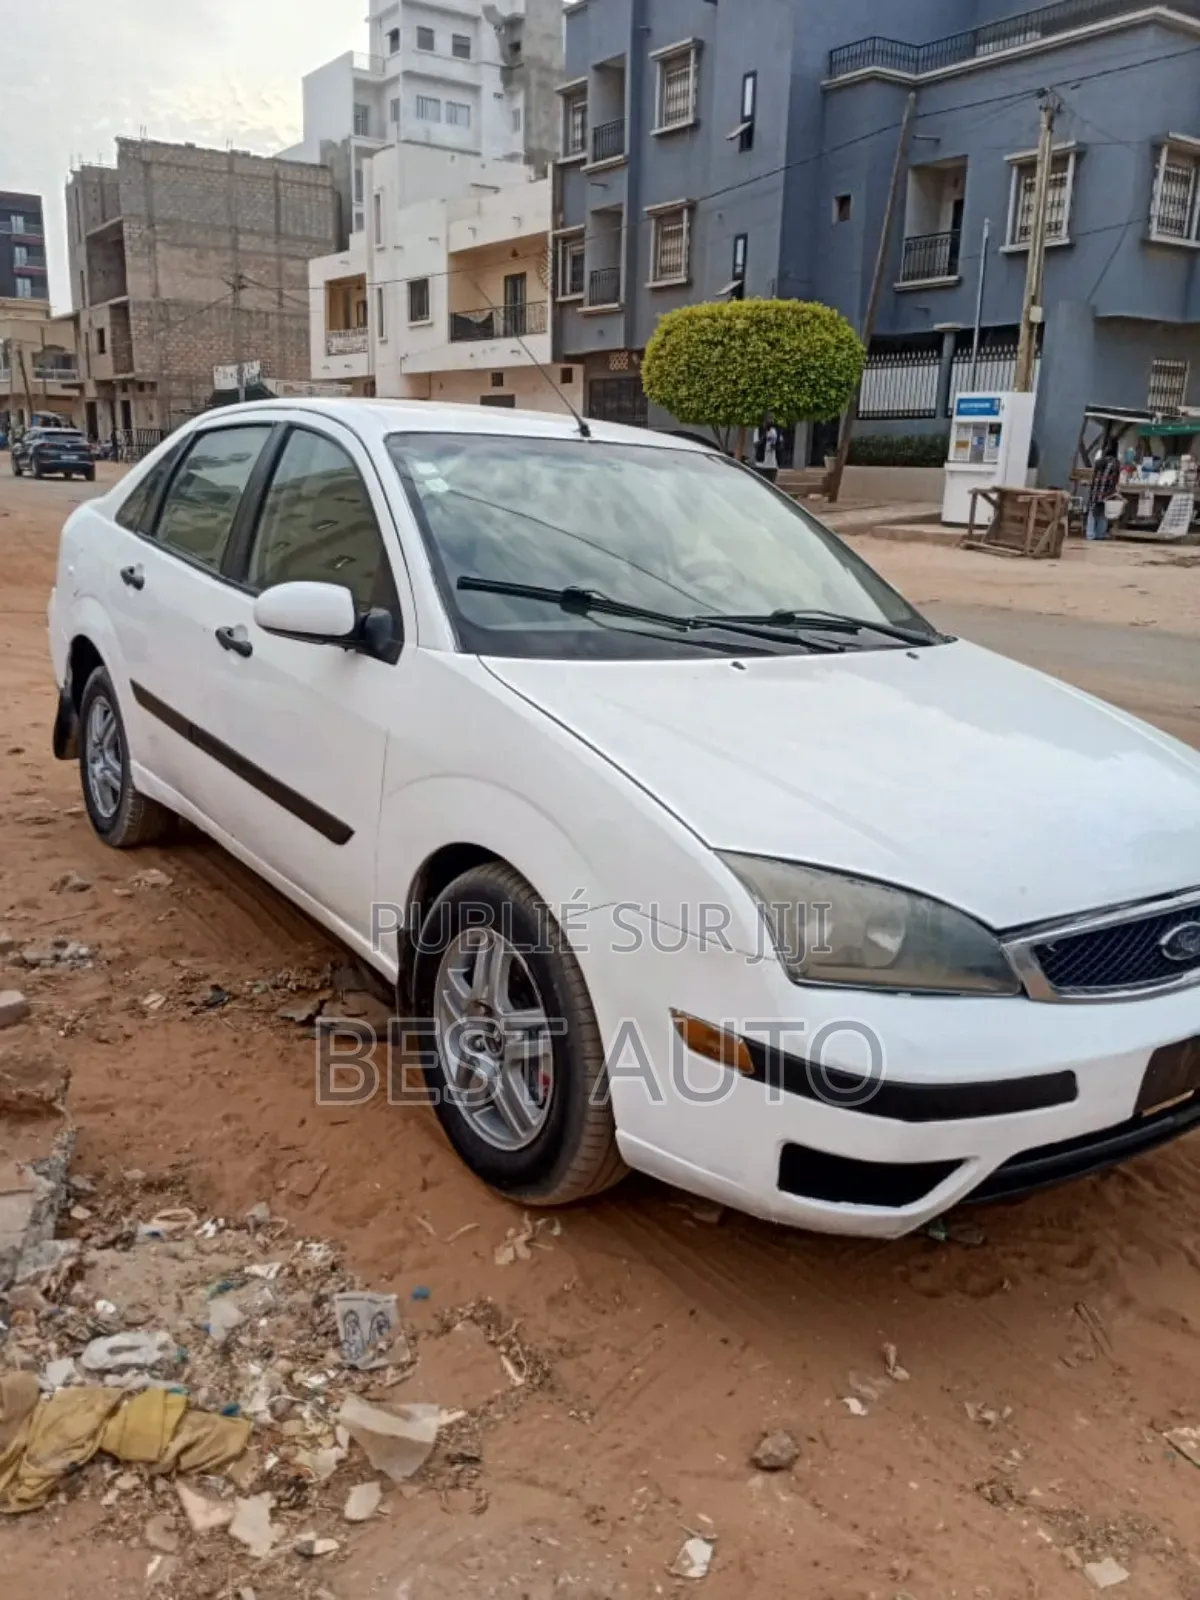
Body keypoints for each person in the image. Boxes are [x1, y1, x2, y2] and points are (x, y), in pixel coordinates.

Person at [1086, 442, 1121, 541]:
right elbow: (1116, 479)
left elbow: (1092, 477)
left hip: (1095, 492)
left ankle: (1090, 535)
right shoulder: (1116, 463)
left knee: (1092, 514)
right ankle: (1100, 534)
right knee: (1103, 514)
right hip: (1107, 492)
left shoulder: (1099, 462)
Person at [754, 418, 781, 484]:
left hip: (772, 465)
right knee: (761, 484)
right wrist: (764, 437)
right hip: (761, 464)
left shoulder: (775, 431)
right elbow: (756, 445)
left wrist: (775, 446)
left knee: (771, 485)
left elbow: (780, 445)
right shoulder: (758, 430)